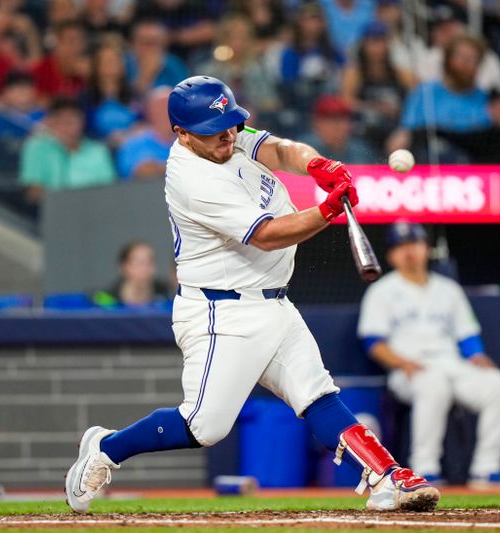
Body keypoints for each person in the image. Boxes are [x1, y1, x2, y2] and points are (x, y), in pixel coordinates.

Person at [64, 75, 440, 514]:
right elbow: (267, 235)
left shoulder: (228, 135)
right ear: (182, 133)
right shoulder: (191, 178)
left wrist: (318, 164)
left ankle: (388, 476)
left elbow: (280, 150)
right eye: (212, 130)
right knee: (204, 426)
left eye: (229, 125)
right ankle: (106, 447)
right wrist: (327, 210)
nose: (226, 136)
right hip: (221, 313)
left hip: (274, 303)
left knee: (316, 394)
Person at [358, 222, 500, 487]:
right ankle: (425, 468)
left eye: (414, 244)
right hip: (409, 368)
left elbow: (467, 336)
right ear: (391, 256)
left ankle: (487, 469)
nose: (409, 251)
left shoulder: (448, 289)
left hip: (450, 363)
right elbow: (374, 342)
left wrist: (477, 356)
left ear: (425, 248)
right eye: (401, 246)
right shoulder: (382, 291)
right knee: (433, 386)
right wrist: (401, 362)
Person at [387, 35, 492, 153]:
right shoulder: (424, 93)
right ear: (447, 59)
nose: (466, 63)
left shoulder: (487, 99)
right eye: (461, 57)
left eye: (472, 59)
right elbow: (405, 131)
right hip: (426, 161)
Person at [19, 97, 115, 205]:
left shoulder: (98, 151)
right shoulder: (37, 147)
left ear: (82, 122)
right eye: (61, 122)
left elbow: (108, 191)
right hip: (51, 210)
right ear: (50, 122)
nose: (66, 127)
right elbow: (34, 192)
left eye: (71, 122)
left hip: (92, 209)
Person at [339, 20, 413, 151]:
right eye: (373, 42)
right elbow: (344, 102)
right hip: (364, 128)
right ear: (363, 44)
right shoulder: (355, 73)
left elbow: (417, 102)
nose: (378, 48)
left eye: (382, 41)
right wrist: (375, 107)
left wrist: (405, 127)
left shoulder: (401, 74)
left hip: (395, 129)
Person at [84, 39, 141, 146]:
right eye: (107, 61)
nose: (111, 65)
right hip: (98, 148)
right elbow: (83, 130)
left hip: (130, 146)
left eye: (115, 61)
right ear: (97, 66)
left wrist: (128, 135)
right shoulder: (86, 98)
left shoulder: (134, 96)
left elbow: (143, 123)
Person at [115, 87, 173, 180]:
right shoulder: (132, 144)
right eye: (161, 108)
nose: (167, 113)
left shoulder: (191, 142)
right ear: (149, 112)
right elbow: (143, 172)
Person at [94, 241, 171, 310]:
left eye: (150, 262)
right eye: (141, 263)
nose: (146, 269)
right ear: (124, 266)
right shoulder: (107, 302)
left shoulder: (167, 298)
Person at [299, 95, 374, 163]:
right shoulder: (302, 150)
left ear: (350, 124)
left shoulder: (362, 151)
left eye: (341, 119)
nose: (336, 126)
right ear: (316, 124)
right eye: (329, 120)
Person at [124, 19, 189, 97]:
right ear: (133, 44)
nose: (149, 49)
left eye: (153, 43)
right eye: (144, 43)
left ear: (164, 45)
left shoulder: (174, 66)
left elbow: (184, 98)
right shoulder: (122, 64)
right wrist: (145, 77)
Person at [31, 19, 89, 104]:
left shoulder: (88, 72)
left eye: (79, 42)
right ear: (58, 44)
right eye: (70, 41)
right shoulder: (40, 70)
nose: (75, 48)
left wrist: (89, 78)